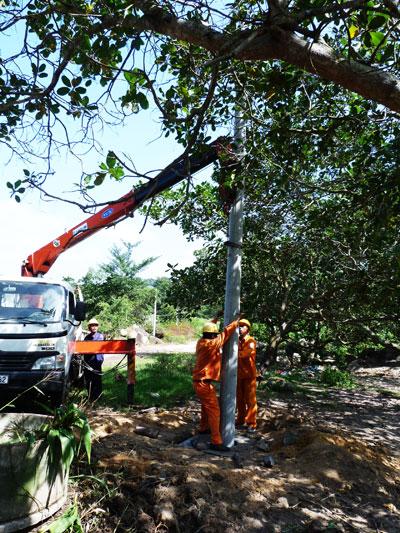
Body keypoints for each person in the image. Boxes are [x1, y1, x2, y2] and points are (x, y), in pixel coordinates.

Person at [193, 311, 244, 452]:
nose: (215, 335)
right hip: (203, 383)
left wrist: (215, 318)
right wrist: (237, 320)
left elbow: (209, 329)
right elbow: (225, 334)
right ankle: (216, 441)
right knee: (215, 411)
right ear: (212, 336)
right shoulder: (211, 345)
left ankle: (203, 429)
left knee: (206, 407)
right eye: (214, 334)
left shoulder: (202, 341)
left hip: (201, 382)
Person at [236, 318, 258, 432]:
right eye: (239, 326)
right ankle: (240, 419)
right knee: (239, 399)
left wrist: (233, 353)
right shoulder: (236, 341)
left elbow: (247, 353)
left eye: (243, 326)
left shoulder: (251, 342)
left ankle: (251, 423)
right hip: (239, 375)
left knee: (250, 400)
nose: (240, 328)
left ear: (248, 329)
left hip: (249, 375)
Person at [84, 318, 104, 401]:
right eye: (92, 326)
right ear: (89, 328)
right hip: (88, 362)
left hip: (96, 361)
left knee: (97, 379)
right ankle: (90, 396)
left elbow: (96, 347)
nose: (94, 327)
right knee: (89, 379)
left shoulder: (100, 336)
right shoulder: (86, 337)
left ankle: (98, 397)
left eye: (96, 326)